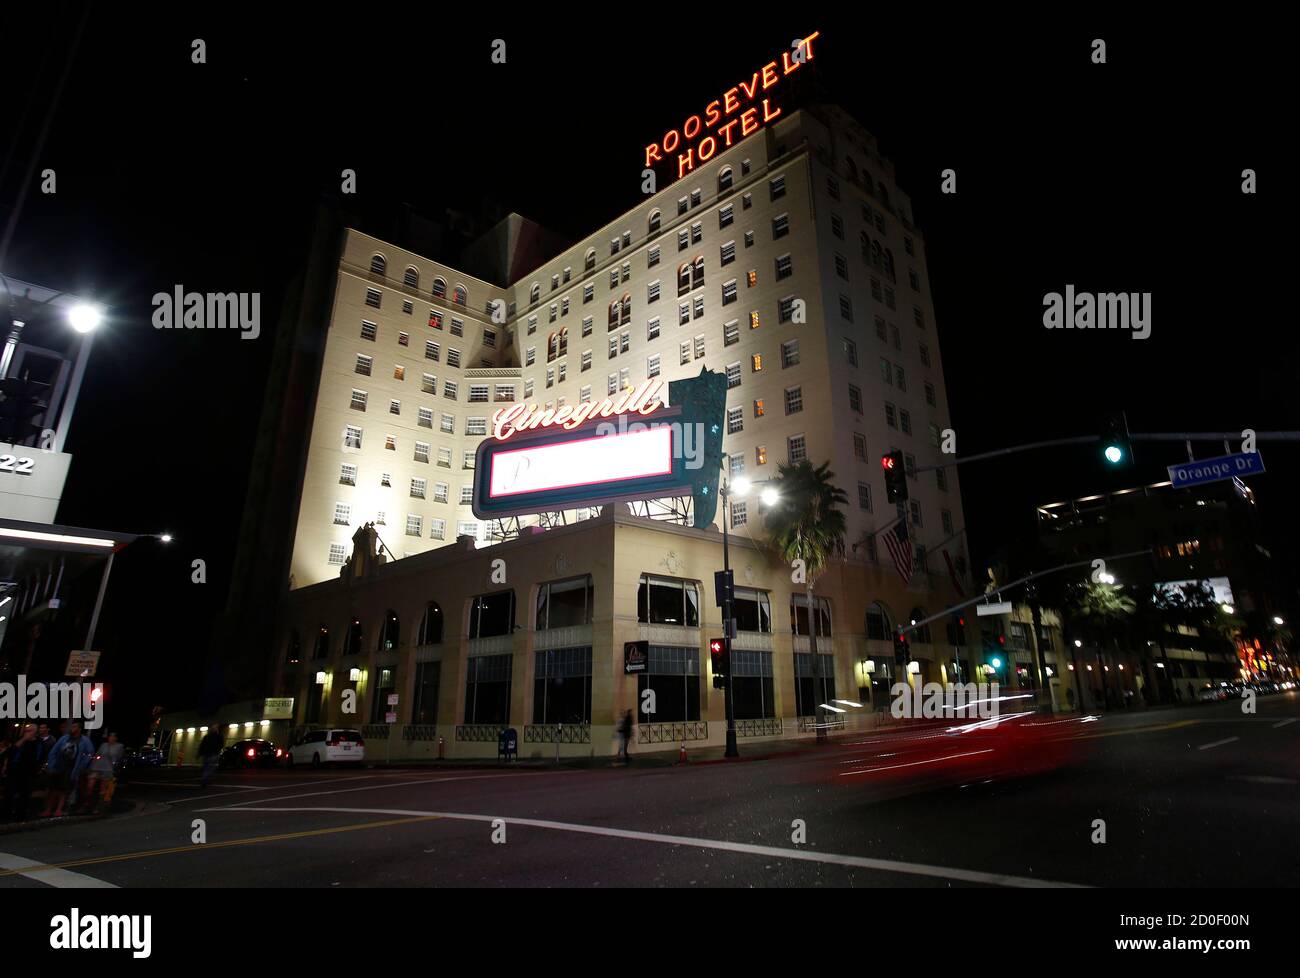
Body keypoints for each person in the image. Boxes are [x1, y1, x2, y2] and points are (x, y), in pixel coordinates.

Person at [41, 721, 94, 818]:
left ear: (79, 729)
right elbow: (54, 751)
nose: (72, 728)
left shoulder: (84, 740)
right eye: (71, 726)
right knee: (52, 789)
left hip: (71, 768)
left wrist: (82, 765)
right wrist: (51, 764)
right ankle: (48, 810)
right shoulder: (64, 738)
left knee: (63, 790)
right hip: (58, 765)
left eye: (74, 727)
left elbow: (90, 753)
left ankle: (59, 810)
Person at [80, 731, 125, 814]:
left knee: (102, 788)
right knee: (90, 786)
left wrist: (114, 766)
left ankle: (99, 807)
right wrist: (92, 764)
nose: (111, 738)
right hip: (97, 767)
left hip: (108, 768)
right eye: (110, 736)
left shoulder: (119, 746)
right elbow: (97, 754)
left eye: (113, 736)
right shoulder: (104, 745)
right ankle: (86, 804)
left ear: (116, 738)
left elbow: (118, 758)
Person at [3, 725, 40, 822]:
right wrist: (23, 739)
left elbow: (36, 758)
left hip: (27, 774)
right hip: (13, 771)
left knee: (24, 795)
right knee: (9, 794)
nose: (27, 733)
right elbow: (9, 752)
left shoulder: (37, 743)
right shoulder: (20, 740)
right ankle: (6, 815)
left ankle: (20, 816)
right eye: (26, 731)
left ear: (35, 732)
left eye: (30, 731)